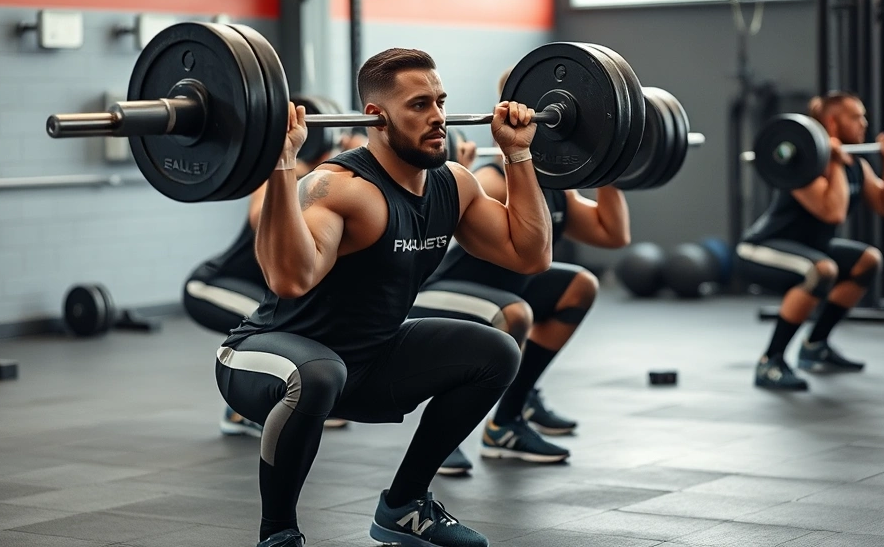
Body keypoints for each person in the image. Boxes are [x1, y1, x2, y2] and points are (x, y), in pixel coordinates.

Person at [217, 48, 552, 547]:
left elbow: (530, 254)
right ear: (376, 117)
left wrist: (517, 154)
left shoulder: (452, 185)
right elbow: (291, 280)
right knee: (317, 372)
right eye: (419, 105)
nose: (438, 117)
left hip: (365, 363)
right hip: (265, 358)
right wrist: (282, 164)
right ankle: (278, 532)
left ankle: (405, 505)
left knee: (496, 351)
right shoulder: (338, 188)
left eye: (440, 102)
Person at [409, 68, 631, 475]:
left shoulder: (557, 185)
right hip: (444, 291)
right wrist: (449, 170)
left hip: (509, 290)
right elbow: (433, 220)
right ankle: (444, 438)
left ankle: (506, 423)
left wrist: (608, 163)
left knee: (580, 286)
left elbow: (611, 234)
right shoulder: (492, 180)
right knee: (515, 314)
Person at [184, 129, 367, 436]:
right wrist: (294, 173)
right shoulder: (284, 175)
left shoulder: (334, 183)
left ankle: (308, 404)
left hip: (261, 292)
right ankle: (242, 410)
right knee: (281, 324)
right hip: (212, 285)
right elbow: (260, 219)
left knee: (307, 322)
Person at [737, 92, 884, 391]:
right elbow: (833, 212)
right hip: (763, 248)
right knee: (821, 270)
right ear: (832, 122)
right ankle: (770, 362)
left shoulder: (857, 164)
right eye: (856, 116)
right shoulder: (803, 164)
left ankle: (815, 345)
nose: (864, 122)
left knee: (868, 261)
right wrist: (835, 164)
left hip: (810, 248)